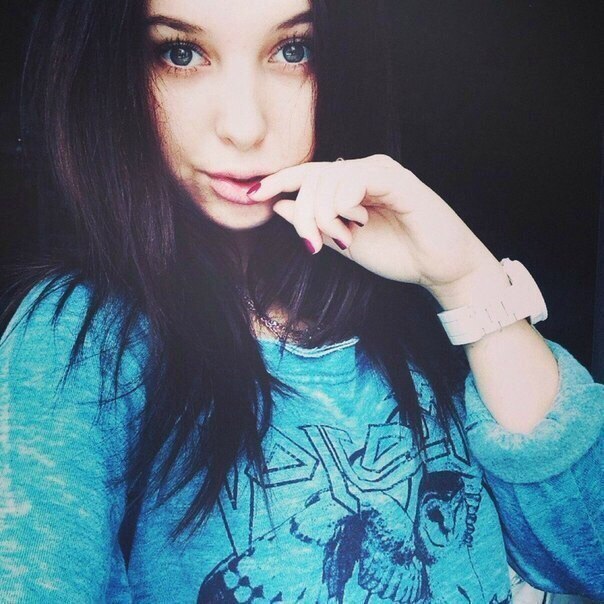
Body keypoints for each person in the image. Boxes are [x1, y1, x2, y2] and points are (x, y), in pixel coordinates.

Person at [0, 0, 602, 602]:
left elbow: (587, 560)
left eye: (293, 51)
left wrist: (465, 282)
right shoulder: (78, 339)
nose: (244, 127)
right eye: (181, 53)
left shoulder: (408, 286)